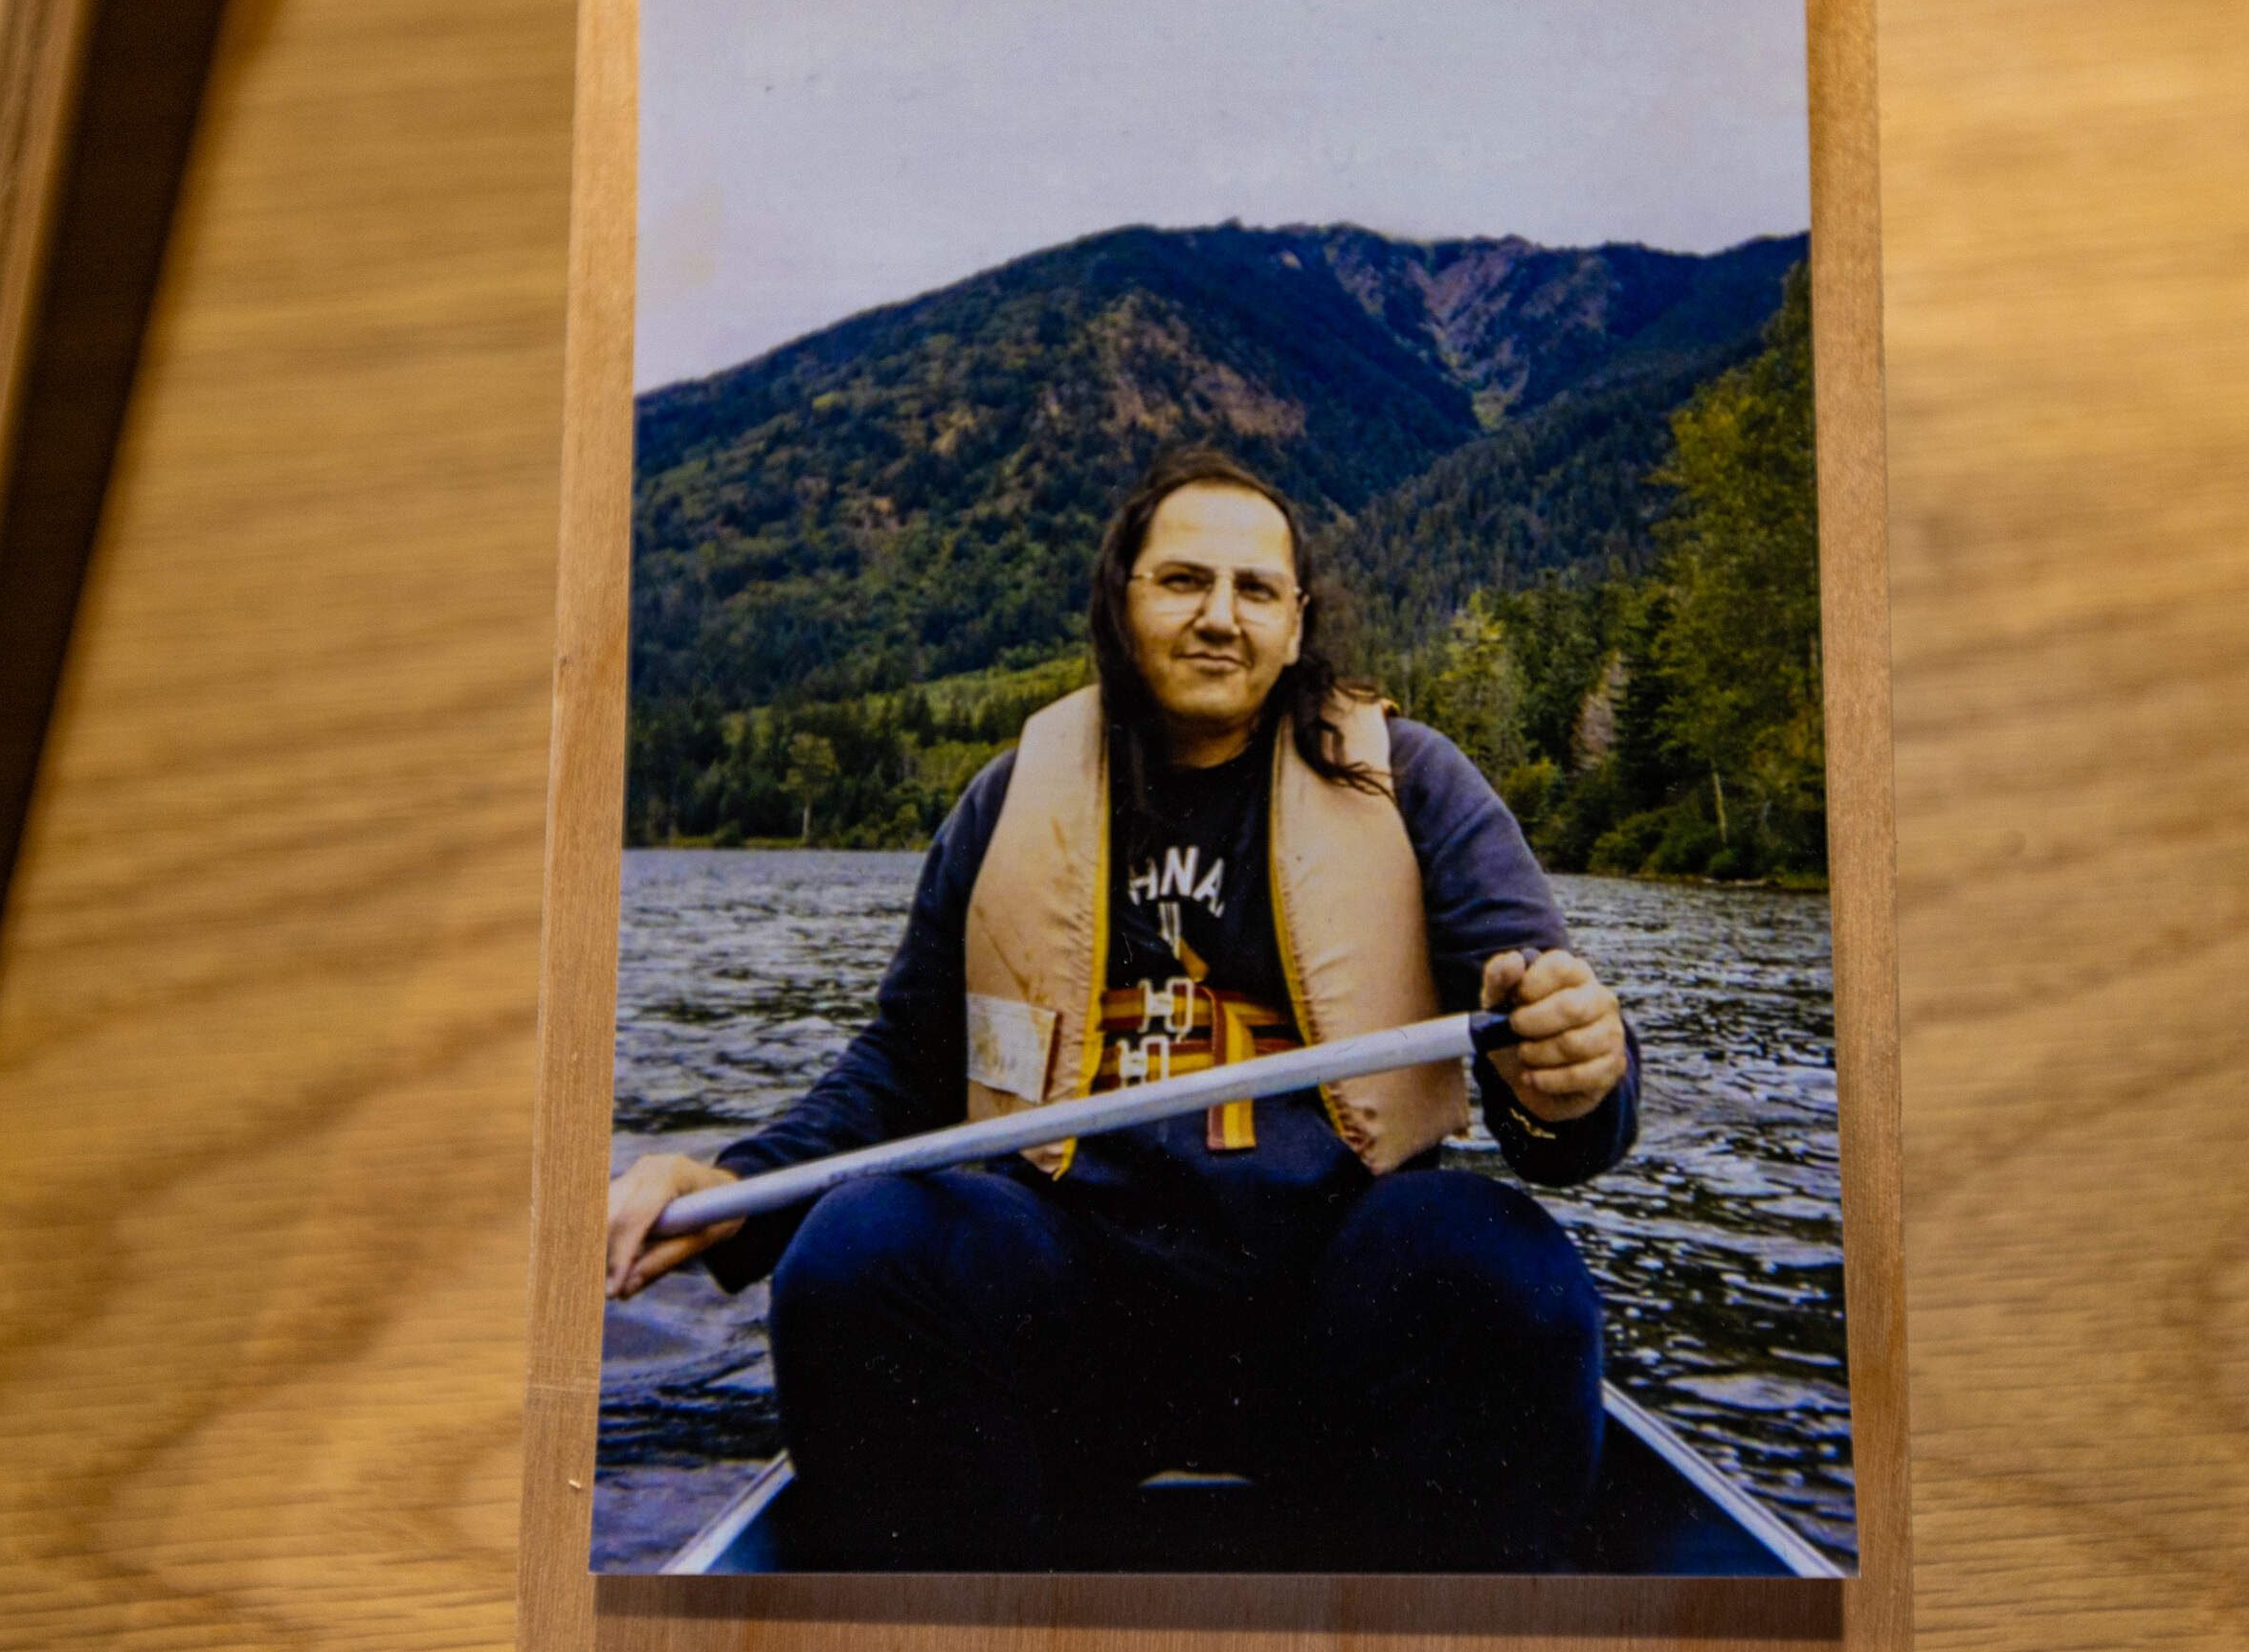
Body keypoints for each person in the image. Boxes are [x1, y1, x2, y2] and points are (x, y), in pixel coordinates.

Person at [604, 447, 1637, 1572]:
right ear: (1120, 602)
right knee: (861, 1252)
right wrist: (738, 1185)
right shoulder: (1011, 799)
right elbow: (903, 1066)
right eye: (1183, 581)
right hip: (1068, 1317)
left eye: (1255, 591)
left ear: (1297, 624)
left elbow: (1555, 1063)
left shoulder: (1415, 782)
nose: (1219, 618)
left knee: (1497, 1267)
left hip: (1334, 1313)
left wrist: (1575, 1074)